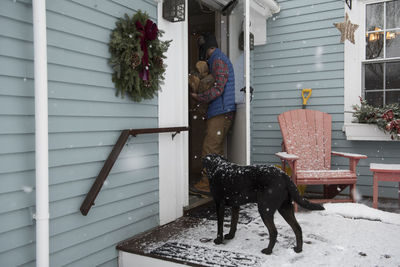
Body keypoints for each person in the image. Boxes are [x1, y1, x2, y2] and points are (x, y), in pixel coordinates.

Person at [191, 34, 236, 195]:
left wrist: (199, 97)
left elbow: (219, 88)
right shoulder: (217, 60)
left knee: (210, 149)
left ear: (207, 48)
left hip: (221, 111)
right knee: (216, 150)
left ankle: (207, 185)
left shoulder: (218, 60)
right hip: (220, 111)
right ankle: (219, 184)